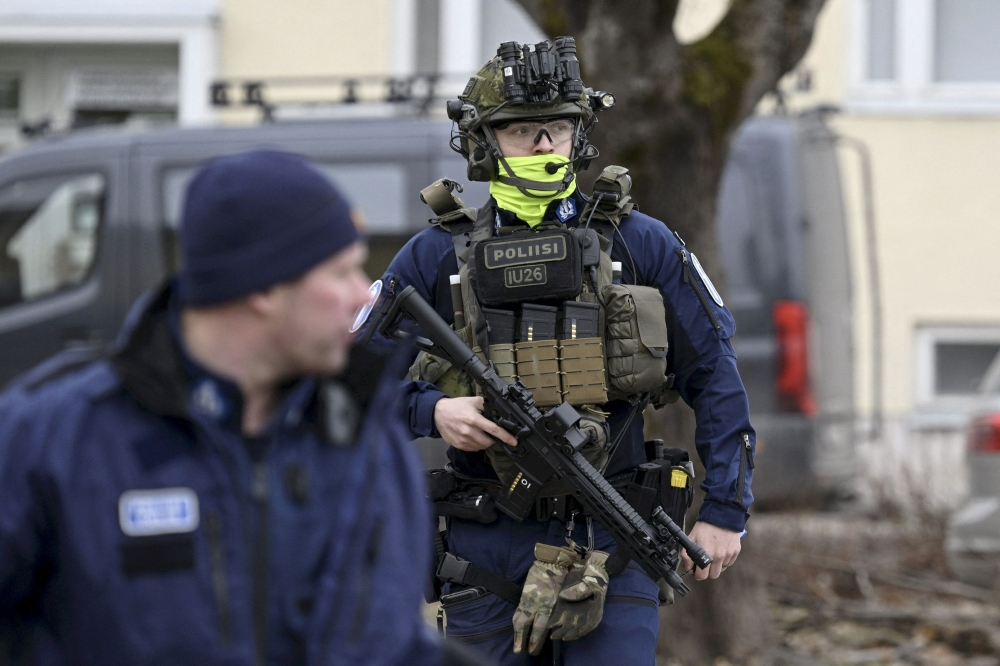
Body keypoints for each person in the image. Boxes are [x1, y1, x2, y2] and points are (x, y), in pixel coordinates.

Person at [0, 151, 486, 666]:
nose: (357, 298)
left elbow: (392, 647)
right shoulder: (57, 438)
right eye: (341, 273)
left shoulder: (364, 440)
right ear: (262, 289)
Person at [377, 39, 756, 665]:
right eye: (523, 130)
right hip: (485, 543)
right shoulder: (435, 257)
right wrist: (432, 413)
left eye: (556, 128)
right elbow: (339, 383)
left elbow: (714, 372)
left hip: (615, 534)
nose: (544, 145)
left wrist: (725, 510)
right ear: (484, 142)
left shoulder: (640, 244)